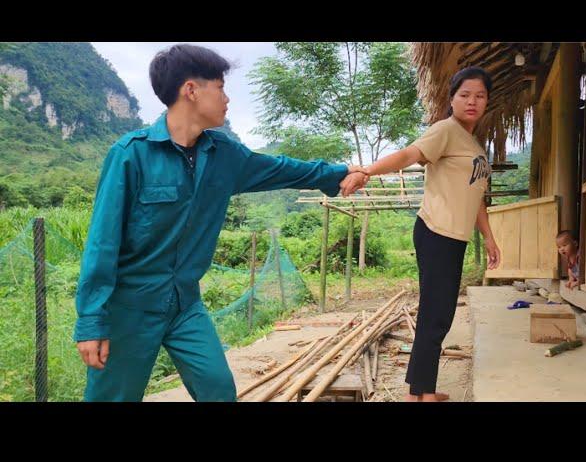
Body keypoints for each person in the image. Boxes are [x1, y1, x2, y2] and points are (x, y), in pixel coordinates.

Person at [74, 44, 368, 401]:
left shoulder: (224, 154)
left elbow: (281, 169)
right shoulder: (131, 155)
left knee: (218, 389)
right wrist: (92, 321)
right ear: (192, 90)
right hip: (130, 307)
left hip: (185, 304)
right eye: (221, 87)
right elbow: (102, 242)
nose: (227, 98)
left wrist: (338, 173)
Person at [350, 66, 501, 402]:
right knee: (437, 314)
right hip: (436, 232)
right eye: (465, 95)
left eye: (480, 95)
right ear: (452, 98)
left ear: (487, 100)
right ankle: (422, 394)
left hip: (455, 237)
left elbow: (476, 197)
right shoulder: (444, 130)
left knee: (438, 312)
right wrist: (368, 170)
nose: (472, 101)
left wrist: (489, 237)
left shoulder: (473, 143)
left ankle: (419, 391)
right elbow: (409, 154)